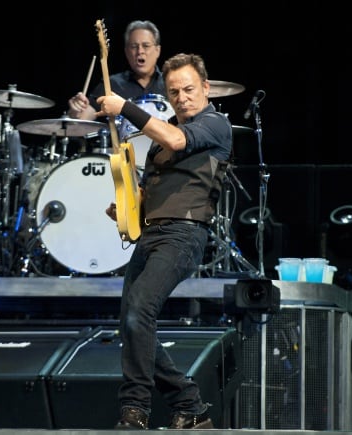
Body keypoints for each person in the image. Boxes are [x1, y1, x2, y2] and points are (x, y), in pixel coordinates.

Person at [97, 53, 232, 429]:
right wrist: (126, 208)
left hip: (184, 233)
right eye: (174, 92)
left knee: (141, 310)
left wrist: (124, 106)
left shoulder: (215, 124)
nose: (182, 97)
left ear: (205, 88)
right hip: (152, 234)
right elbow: (148, 193)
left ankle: (135, 408)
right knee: (131, 322)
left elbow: (174, 139)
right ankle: (189, 405)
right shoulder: (162, 136)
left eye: (189, 89)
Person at [67, 20, 165, 123]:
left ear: (157, 50)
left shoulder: (170, 83)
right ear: (127, 52)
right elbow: (83, 119)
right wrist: (76, 110)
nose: (140, 51)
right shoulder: (112, 84)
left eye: (146, 46)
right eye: (134, 46)